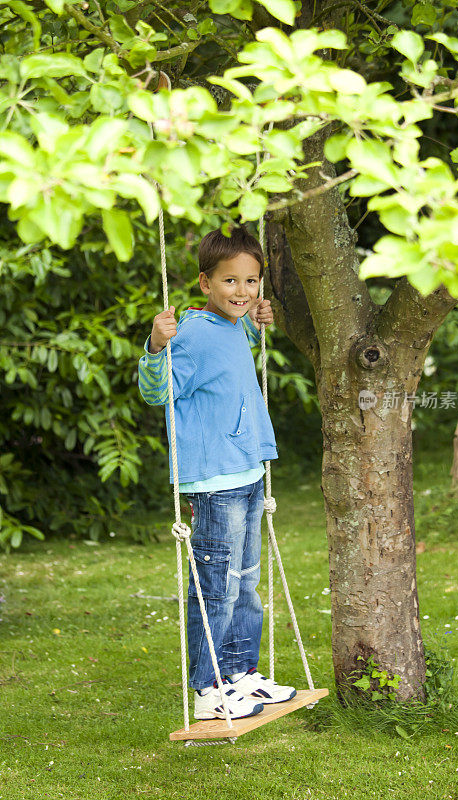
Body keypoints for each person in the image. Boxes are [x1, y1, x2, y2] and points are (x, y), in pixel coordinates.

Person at [138, 224, 296, 721]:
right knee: (216, 587)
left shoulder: (232, 327)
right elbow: (158, 393)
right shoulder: (190, 334)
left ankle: (240, 675)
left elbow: (237, 338)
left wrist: (257, 323)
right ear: (206, 283)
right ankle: (208, 690)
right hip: (214, 481)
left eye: (252, 282)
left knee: (246, 583)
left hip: (246, 470)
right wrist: (155, 346)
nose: (243, 292)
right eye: (231, 282)